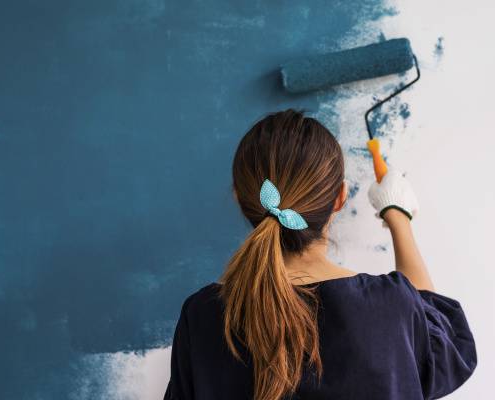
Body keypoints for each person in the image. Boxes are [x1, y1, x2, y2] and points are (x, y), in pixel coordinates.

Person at [163, 109, 476, 400]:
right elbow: (443, 346)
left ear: (240, 198)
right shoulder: (389, 307)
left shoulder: (203, 316)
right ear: (340, 198)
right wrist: (398, 215)